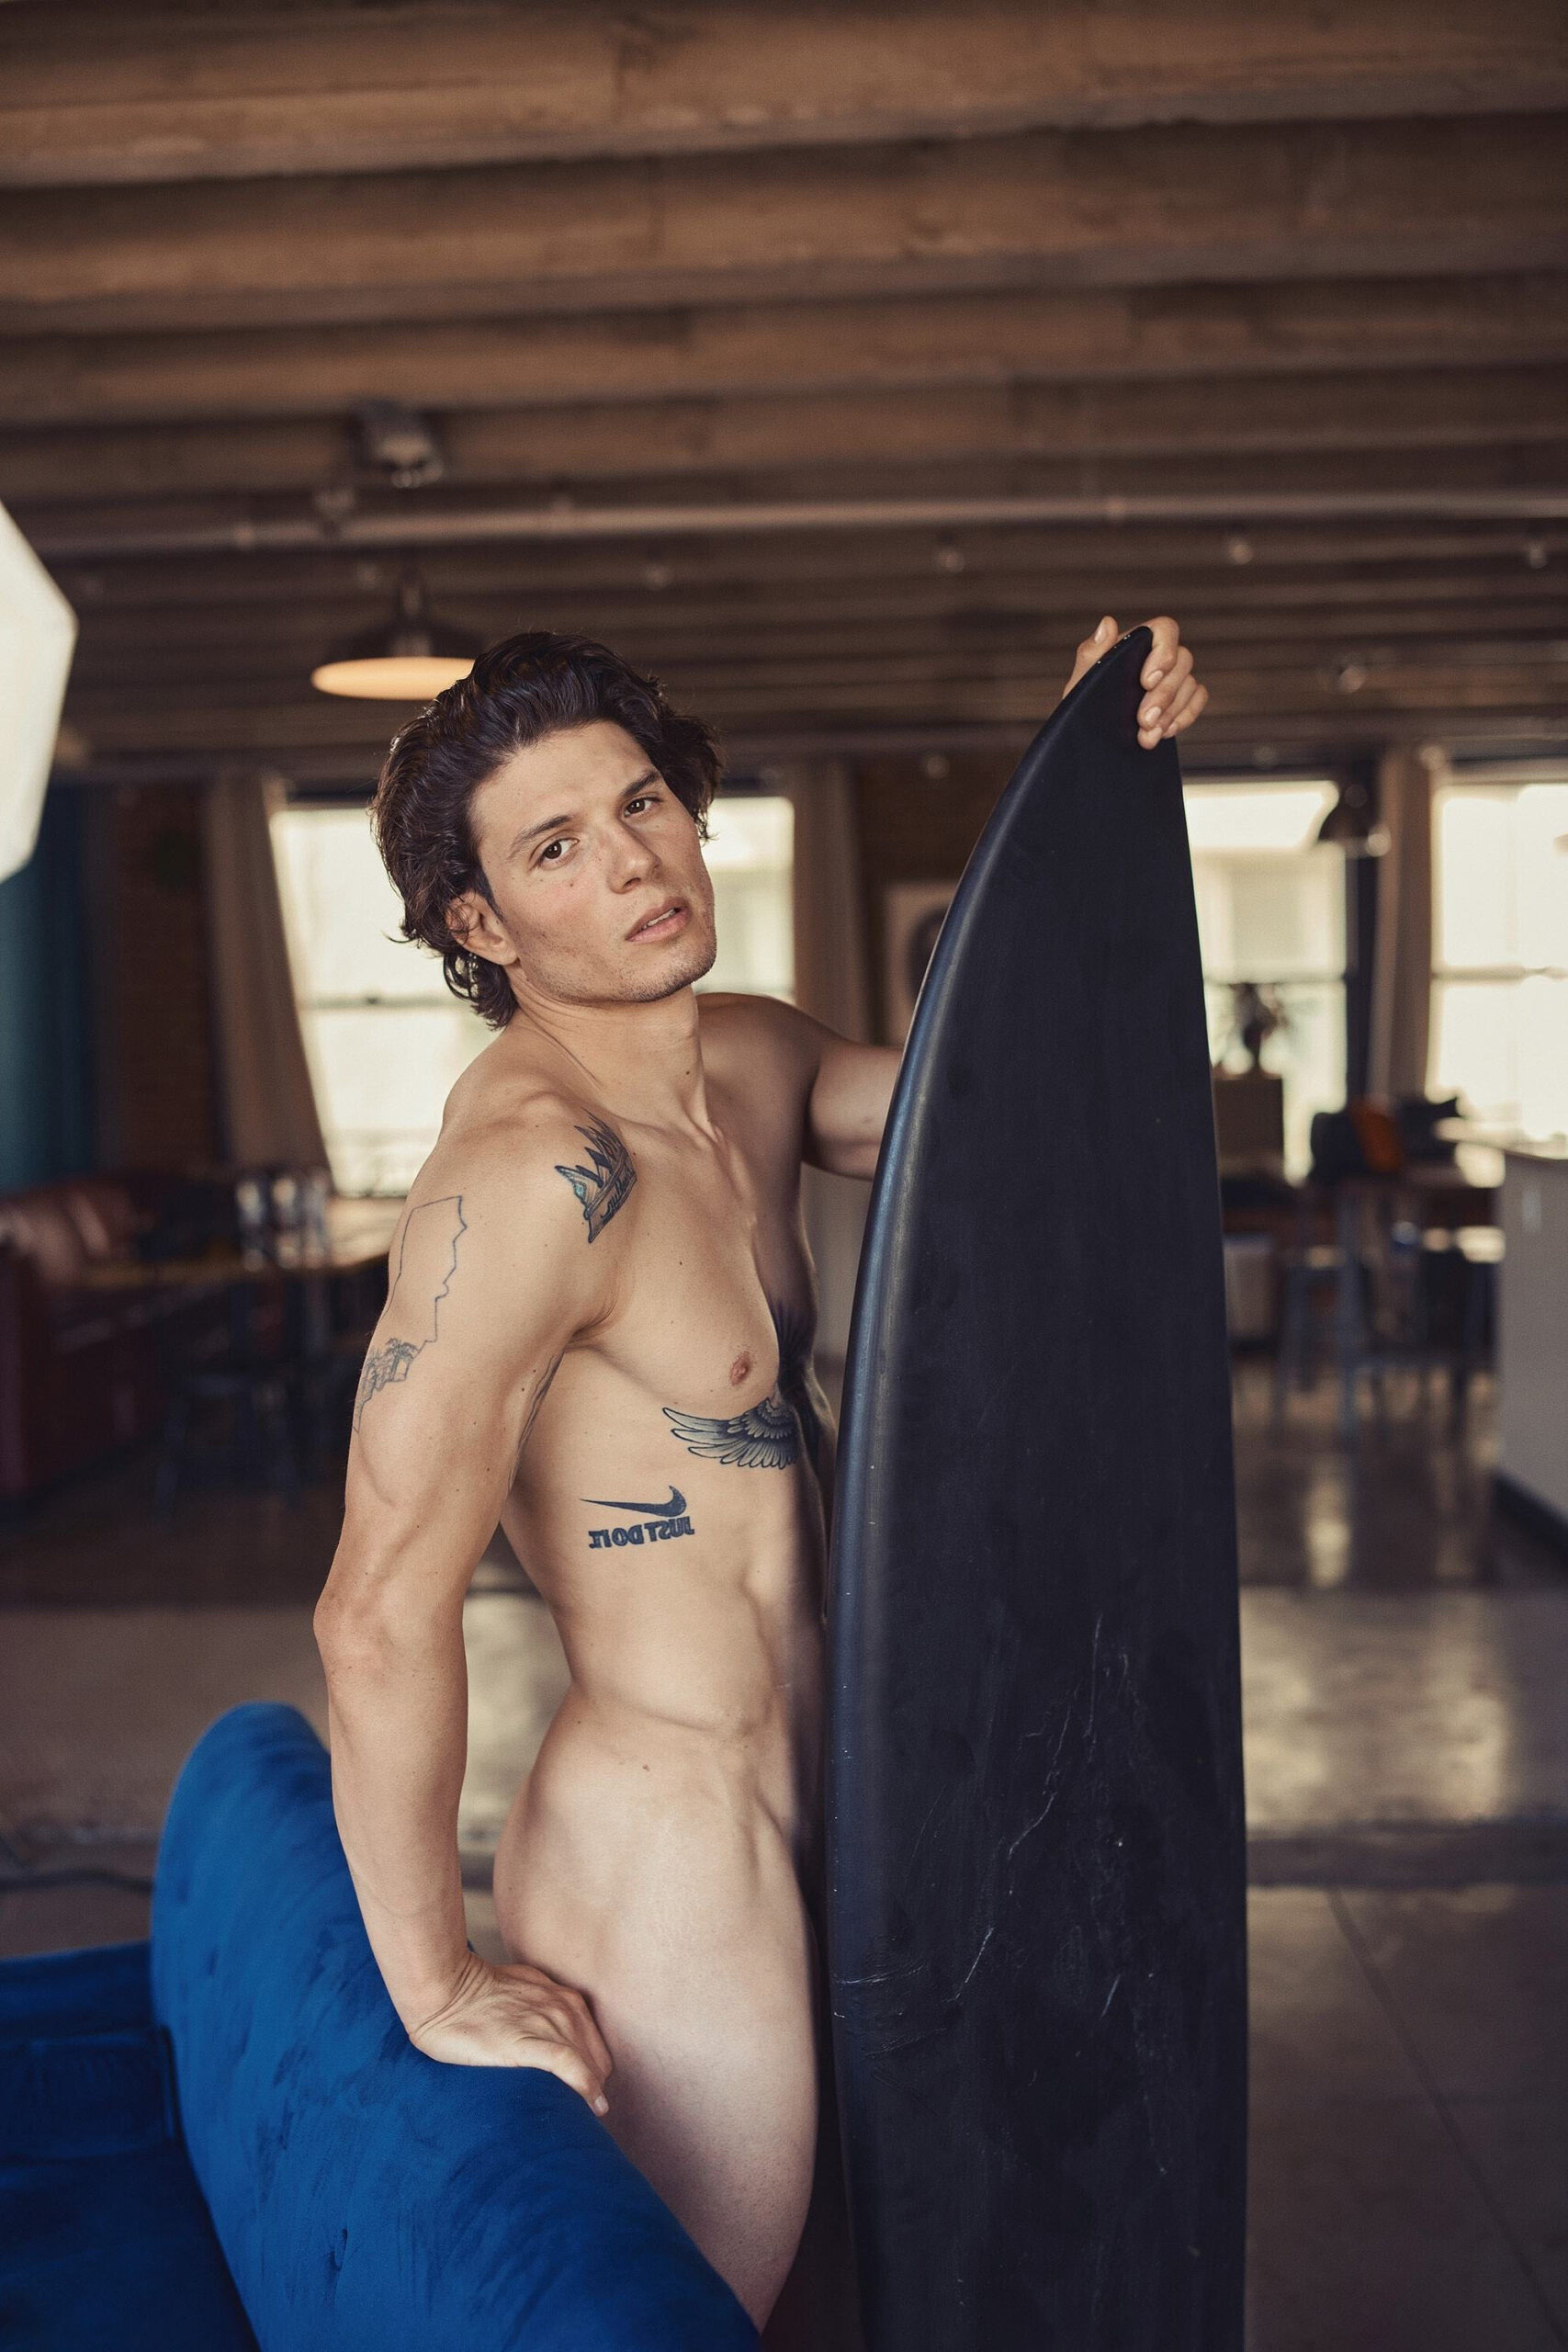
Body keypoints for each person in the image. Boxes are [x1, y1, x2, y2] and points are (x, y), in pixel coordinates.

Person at [312, 614, 1208, 2338]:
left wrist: (1103, 777)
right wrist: (431, 1981)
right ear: (481, 925)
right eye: (554, 849)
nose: (631, 863)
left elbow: (1014, 1098)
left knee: (882, 2283)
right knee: (722, 2316)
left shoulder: (754, 1060)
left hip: (850, 1786)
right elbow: (373, 1611)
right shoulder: (525, 1177)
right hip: (669, 1828)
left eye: (643, 803)